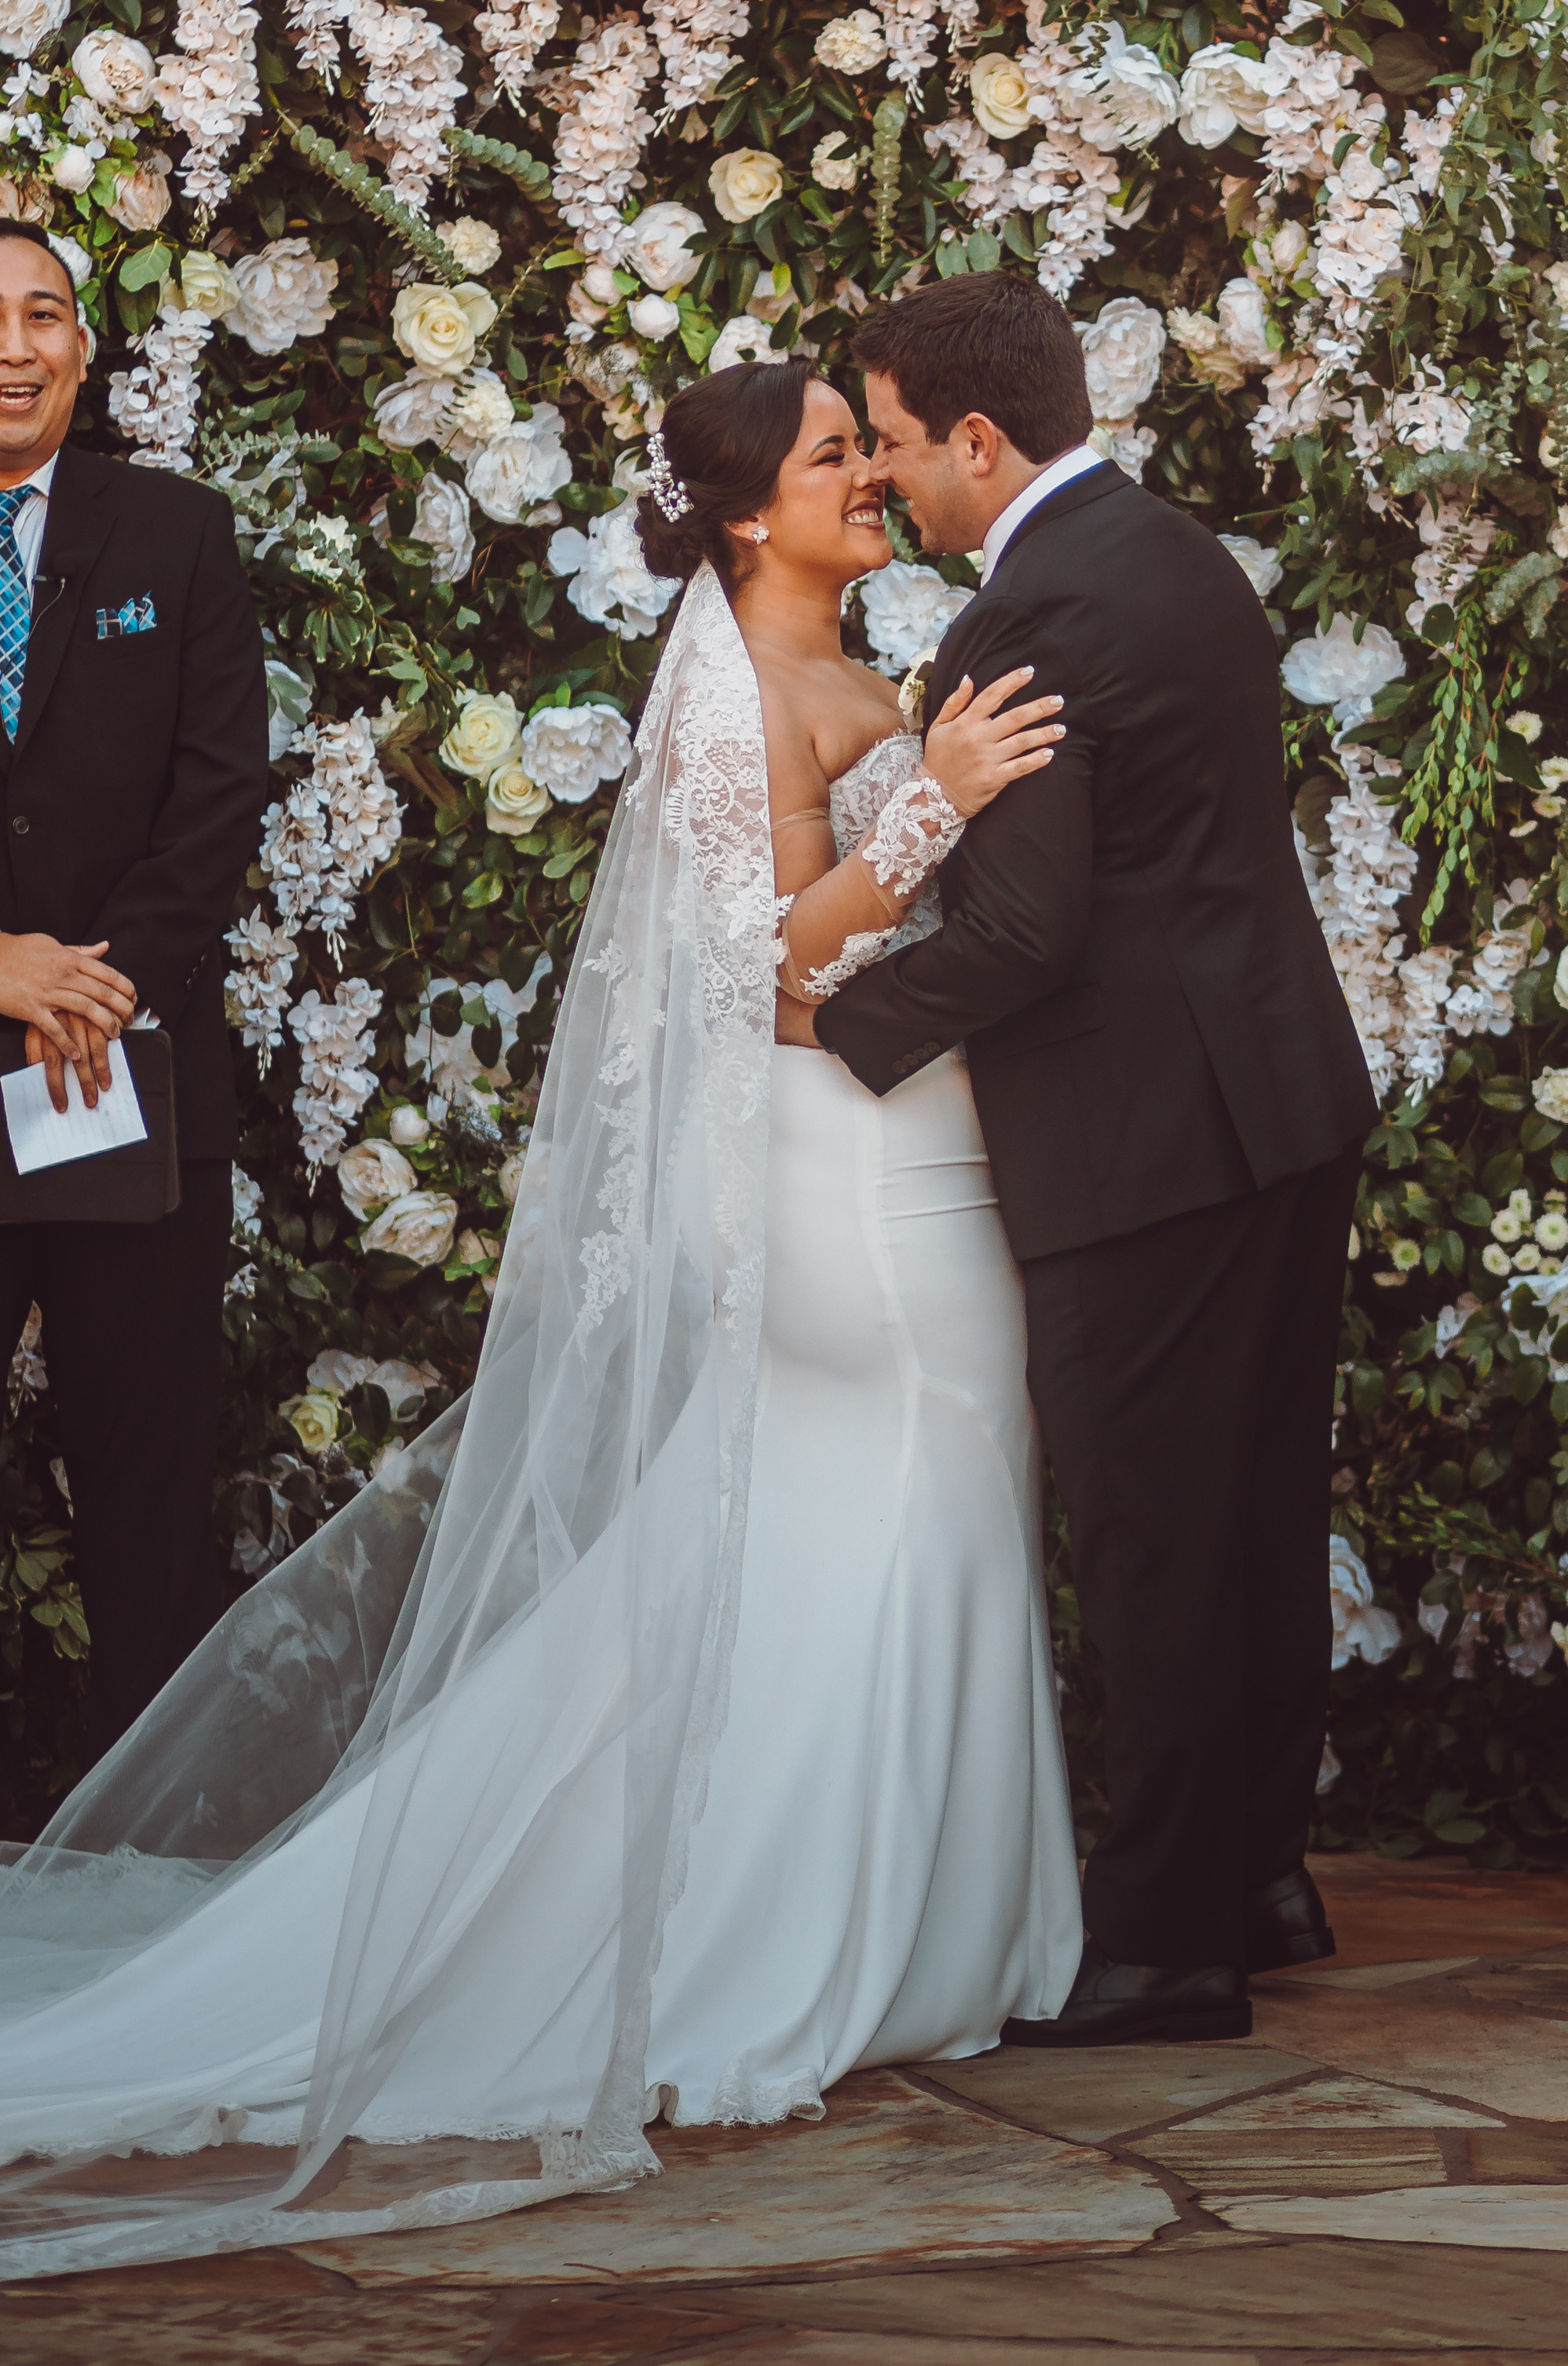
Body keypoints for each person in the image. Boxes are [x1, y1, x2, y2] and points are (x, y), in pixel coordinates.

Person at [0, 357, 1080, 2277]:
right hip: (822, 1160)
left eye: (864, 447)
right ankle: (770, 1934)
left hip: (920, 1131)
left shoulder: (875, 667)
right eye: (836, 454)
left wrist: (939, 790)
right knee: (886, 1486)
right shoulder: (734, 696)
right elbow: (755, 963)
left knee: (906, 1507)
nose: (868, 476)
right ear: (750, 510)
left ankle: (927, 1916)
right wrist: (934, 817)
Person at [801, 272, 1378, 2048]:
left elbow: (1029, 931)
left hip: (1150, 1143)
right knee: (1258, 1518)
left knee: (1154, 1538)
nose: (890, 479)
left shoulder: (1022, 622)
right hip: (1278, 1104)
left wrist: (827, 1019)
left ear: (980, 439)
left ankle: (1163, 1944)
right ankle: (1260, 1876)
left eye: (895, 444)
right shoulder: (1180, 553)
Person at [0, 220, 269, 1761]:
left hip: (129, 1085)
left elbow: (220, 791)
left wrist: (88, 988)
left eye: (47, 314)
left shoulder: (174, 535)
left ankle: (144, 1855)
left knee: (148, 1480)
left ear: (86, 352)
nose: (16, 344)